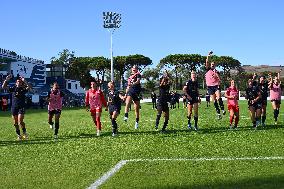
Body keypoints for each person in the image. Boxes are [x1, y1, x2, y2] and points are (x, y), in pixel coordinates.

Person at [2, 74, 31, 140]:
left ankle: (24, 132)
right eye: (18, 81)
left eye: (20, 82)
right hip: (14, 107)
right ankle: (18, 135)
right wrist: (6, 80)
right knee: (15, 122)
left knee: (20, 121)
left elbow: (29, 87)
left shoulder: (23, 89)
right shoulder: (13, 88)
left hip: (21, 106)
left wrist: (25, 81)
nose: (19, 82)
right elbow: (3, 87)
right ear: (16, 82)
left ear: (21, 83)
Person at [205, 51, 226, 119]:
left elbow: (220, 80)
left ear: (215, 65)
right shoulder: (208, 69)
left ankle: (222, 109)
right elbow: (207, 61)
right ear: (210, 65)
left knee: (219, 97)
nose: (212, 65)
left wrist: (217, 76)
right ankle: (218, 113)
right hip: (210, 87)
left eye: (214, 64)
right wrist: (208, 55)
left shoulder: (217, 71)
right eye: (212, 64)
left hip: (216, 86)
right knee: (214, 101)